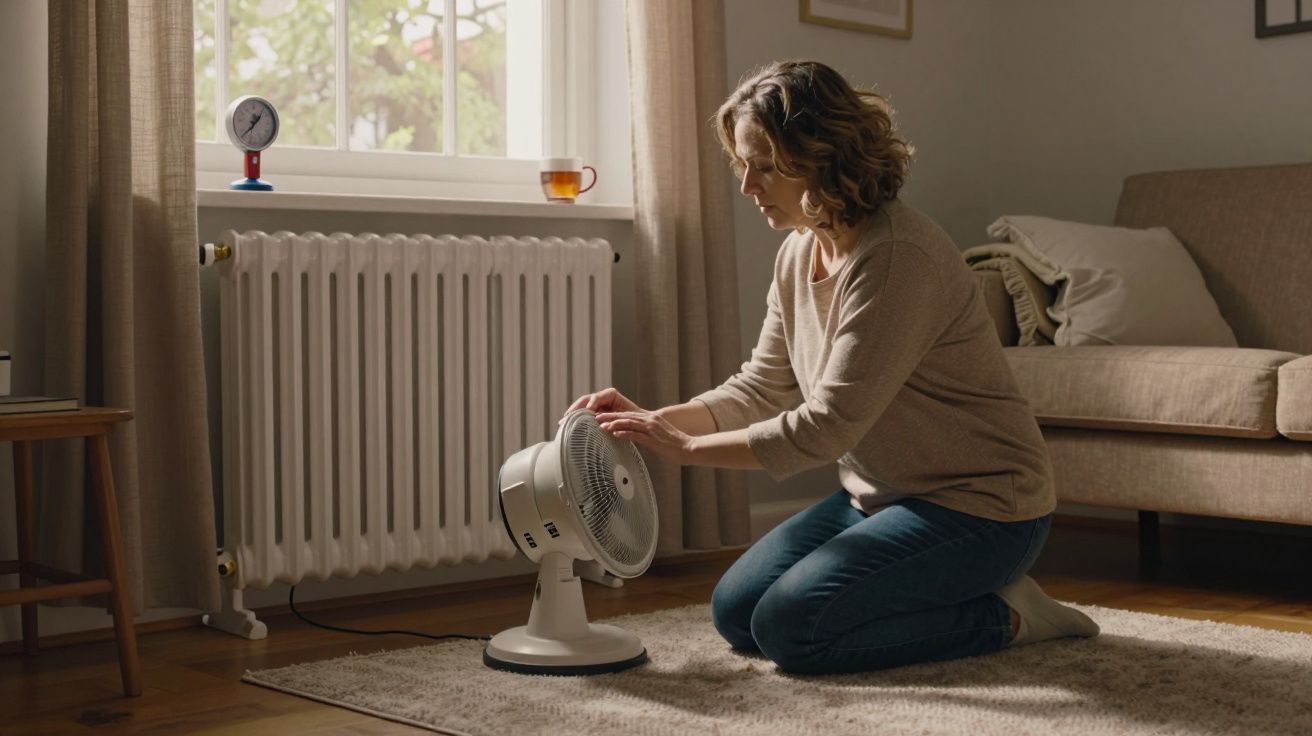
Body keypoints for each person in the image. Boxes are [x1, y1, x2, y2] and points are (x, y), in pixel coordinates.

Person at [565, 60, 1098, 675]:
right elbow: (762, 385)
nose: (747, 186)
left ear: (821, 156)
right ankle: (941, 591)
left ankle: (1010, 617)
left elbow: (826, 427)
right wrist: (654, 419)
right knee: (738, 613)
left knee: (794, 631)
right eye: (742, 165)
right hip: (878, 498)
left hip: (984, 508)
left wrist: (686, 448)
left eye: (763, 166)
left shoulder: (897, 256)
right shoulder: (798, 251)